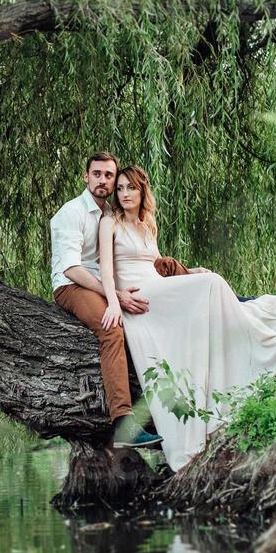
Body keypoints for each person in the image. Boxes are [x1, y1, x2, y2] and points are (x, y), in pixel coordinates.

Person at [97, 166, 276, 471]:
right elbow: (104, 270)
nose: (125, 194)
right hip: (137, 296)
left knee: (210, 281)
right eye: (121, 188)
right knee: (213, 285)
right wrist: (117, 299)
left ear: (143, 191)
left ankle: (238, 352)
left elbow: (154, 264)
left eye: (131, 188)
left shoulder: (147, 225)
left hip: (158, 287)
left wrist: (189, 272)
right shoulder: (109, 222)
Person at [50, 152, 163, 448]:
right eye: (97, 174)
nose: (103, 180)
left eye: (108, 176)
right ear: (86, 177)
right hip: (72, 286)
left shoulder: (109, 215)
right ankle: (124, 422)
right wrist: (114, 297)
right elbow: (71, 268)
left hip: (102, 285)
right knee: (111, 329)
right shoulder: (71, 212)